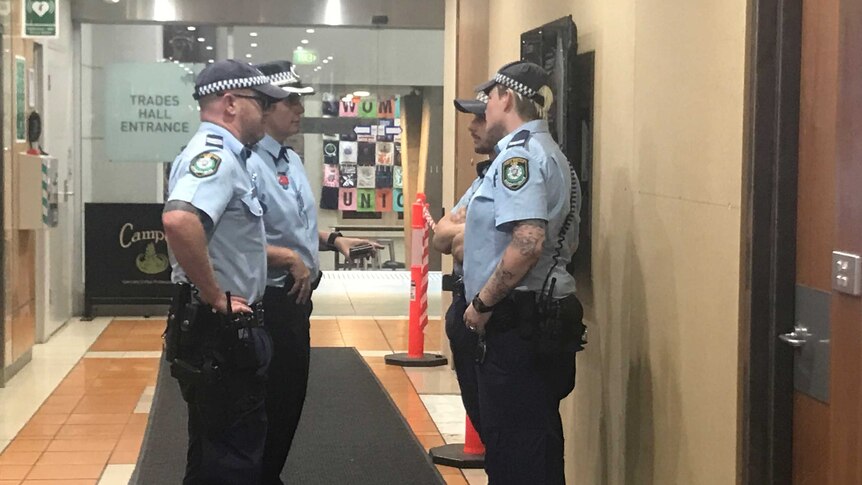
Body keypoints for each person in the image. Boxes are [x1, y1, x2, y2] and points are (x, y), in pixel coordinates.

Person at [247, 60, 381, 485]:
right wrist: (289, 260)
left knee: (289, 401)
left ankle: (269, 474)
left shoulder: (286, 159)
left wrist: (332, 239)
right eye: (289, 101)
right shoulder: (249, 164)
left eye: (299, 100)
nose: (298, 109)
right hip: (267, 301)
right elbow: (238, 239)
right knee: (268, 403)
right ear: (264, 109)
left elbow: (290, 225)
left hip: (294, 302)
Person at [161, 59, 287, 485]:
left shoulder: (229, 156)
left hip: (217, 327)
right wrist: (216, 296)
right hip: (221, 329)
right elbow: (179, 220)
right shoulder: (214, 156)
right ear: (231, 103)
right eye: (260, 102)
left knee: (214, 450)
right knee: (232, 457)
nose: (267, 113)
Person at [462, 61, 585, 484]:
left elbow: (527, 242)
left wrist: (481, 304)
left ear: (507, 98)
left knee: (518, 453)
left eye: (489, 98)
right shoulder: (551, 153)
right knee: (535, 445)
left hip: (517, 323)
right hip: (537, 319)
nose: (485, 108)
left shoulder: (520, 157)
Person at [431, 92, 499, 439]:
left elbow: (465, 241)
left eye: (480, 119)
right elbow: (443, 237)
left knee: (504, 433)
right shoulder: (484, 176)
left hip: (493, 314)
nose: (472, 128)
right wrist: (462, 232)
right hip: (465, 305)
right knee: (487, 424)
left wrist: (463, 232)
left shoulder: (513, 173)